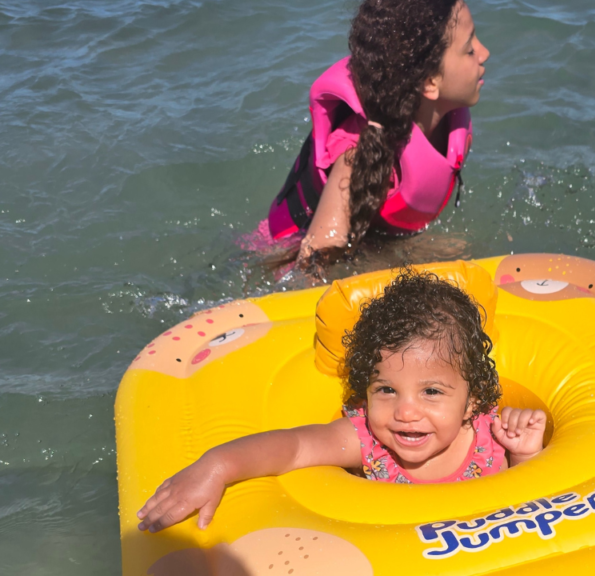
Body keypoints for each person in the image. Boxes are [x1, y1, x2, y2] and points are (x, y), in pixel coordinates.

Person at [135, 270, 545, 533]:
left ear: (472, 402)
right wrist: (217, 465)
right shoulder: (370, 443)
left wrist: (527, 455)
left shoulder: (491, 436)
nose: (405, 412)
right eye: (386, 389)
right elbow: (293, 446)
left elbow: (535, 505)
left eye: (432, 392)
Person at [257, 0, 489, 275]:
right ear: (430, 81)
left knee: (458, 250)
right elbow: (312, 263)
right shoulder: (358, 154)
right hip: (283, 254)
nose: (484, 53)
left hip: (375, 241)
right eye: (469, 49)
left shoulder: (451, 126)